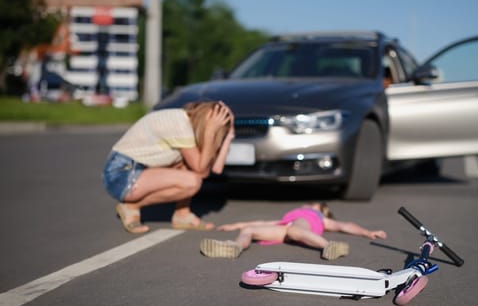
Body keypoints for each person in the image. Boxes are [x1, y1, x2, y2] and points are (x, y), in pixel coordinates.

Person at [102, 101, 234, 234]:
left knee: (190, 167)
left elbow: (215, 169)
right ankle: (131, 207)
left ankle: (182, 215)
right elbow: (201, 170)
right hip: (121, 175)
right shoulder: (181, 124)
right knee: (192, 182)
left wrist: (229, 136)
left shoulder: (189, 126)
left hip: (137, 172)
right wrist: (210, 132)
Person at [200, 202, 387, 260]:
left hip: (302, 226)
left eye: (316, 205)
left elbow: (343, 226)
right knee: (250, 230)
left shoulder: (317, 216)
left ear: (320, 210)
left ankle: (330, 246)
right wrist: (236, 225)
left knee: (295, 231)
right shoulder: (292, 215)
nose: (310, 204)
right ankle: (234, 246)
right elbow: (265, 222)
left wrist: (367, 232)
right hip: (286, 228)